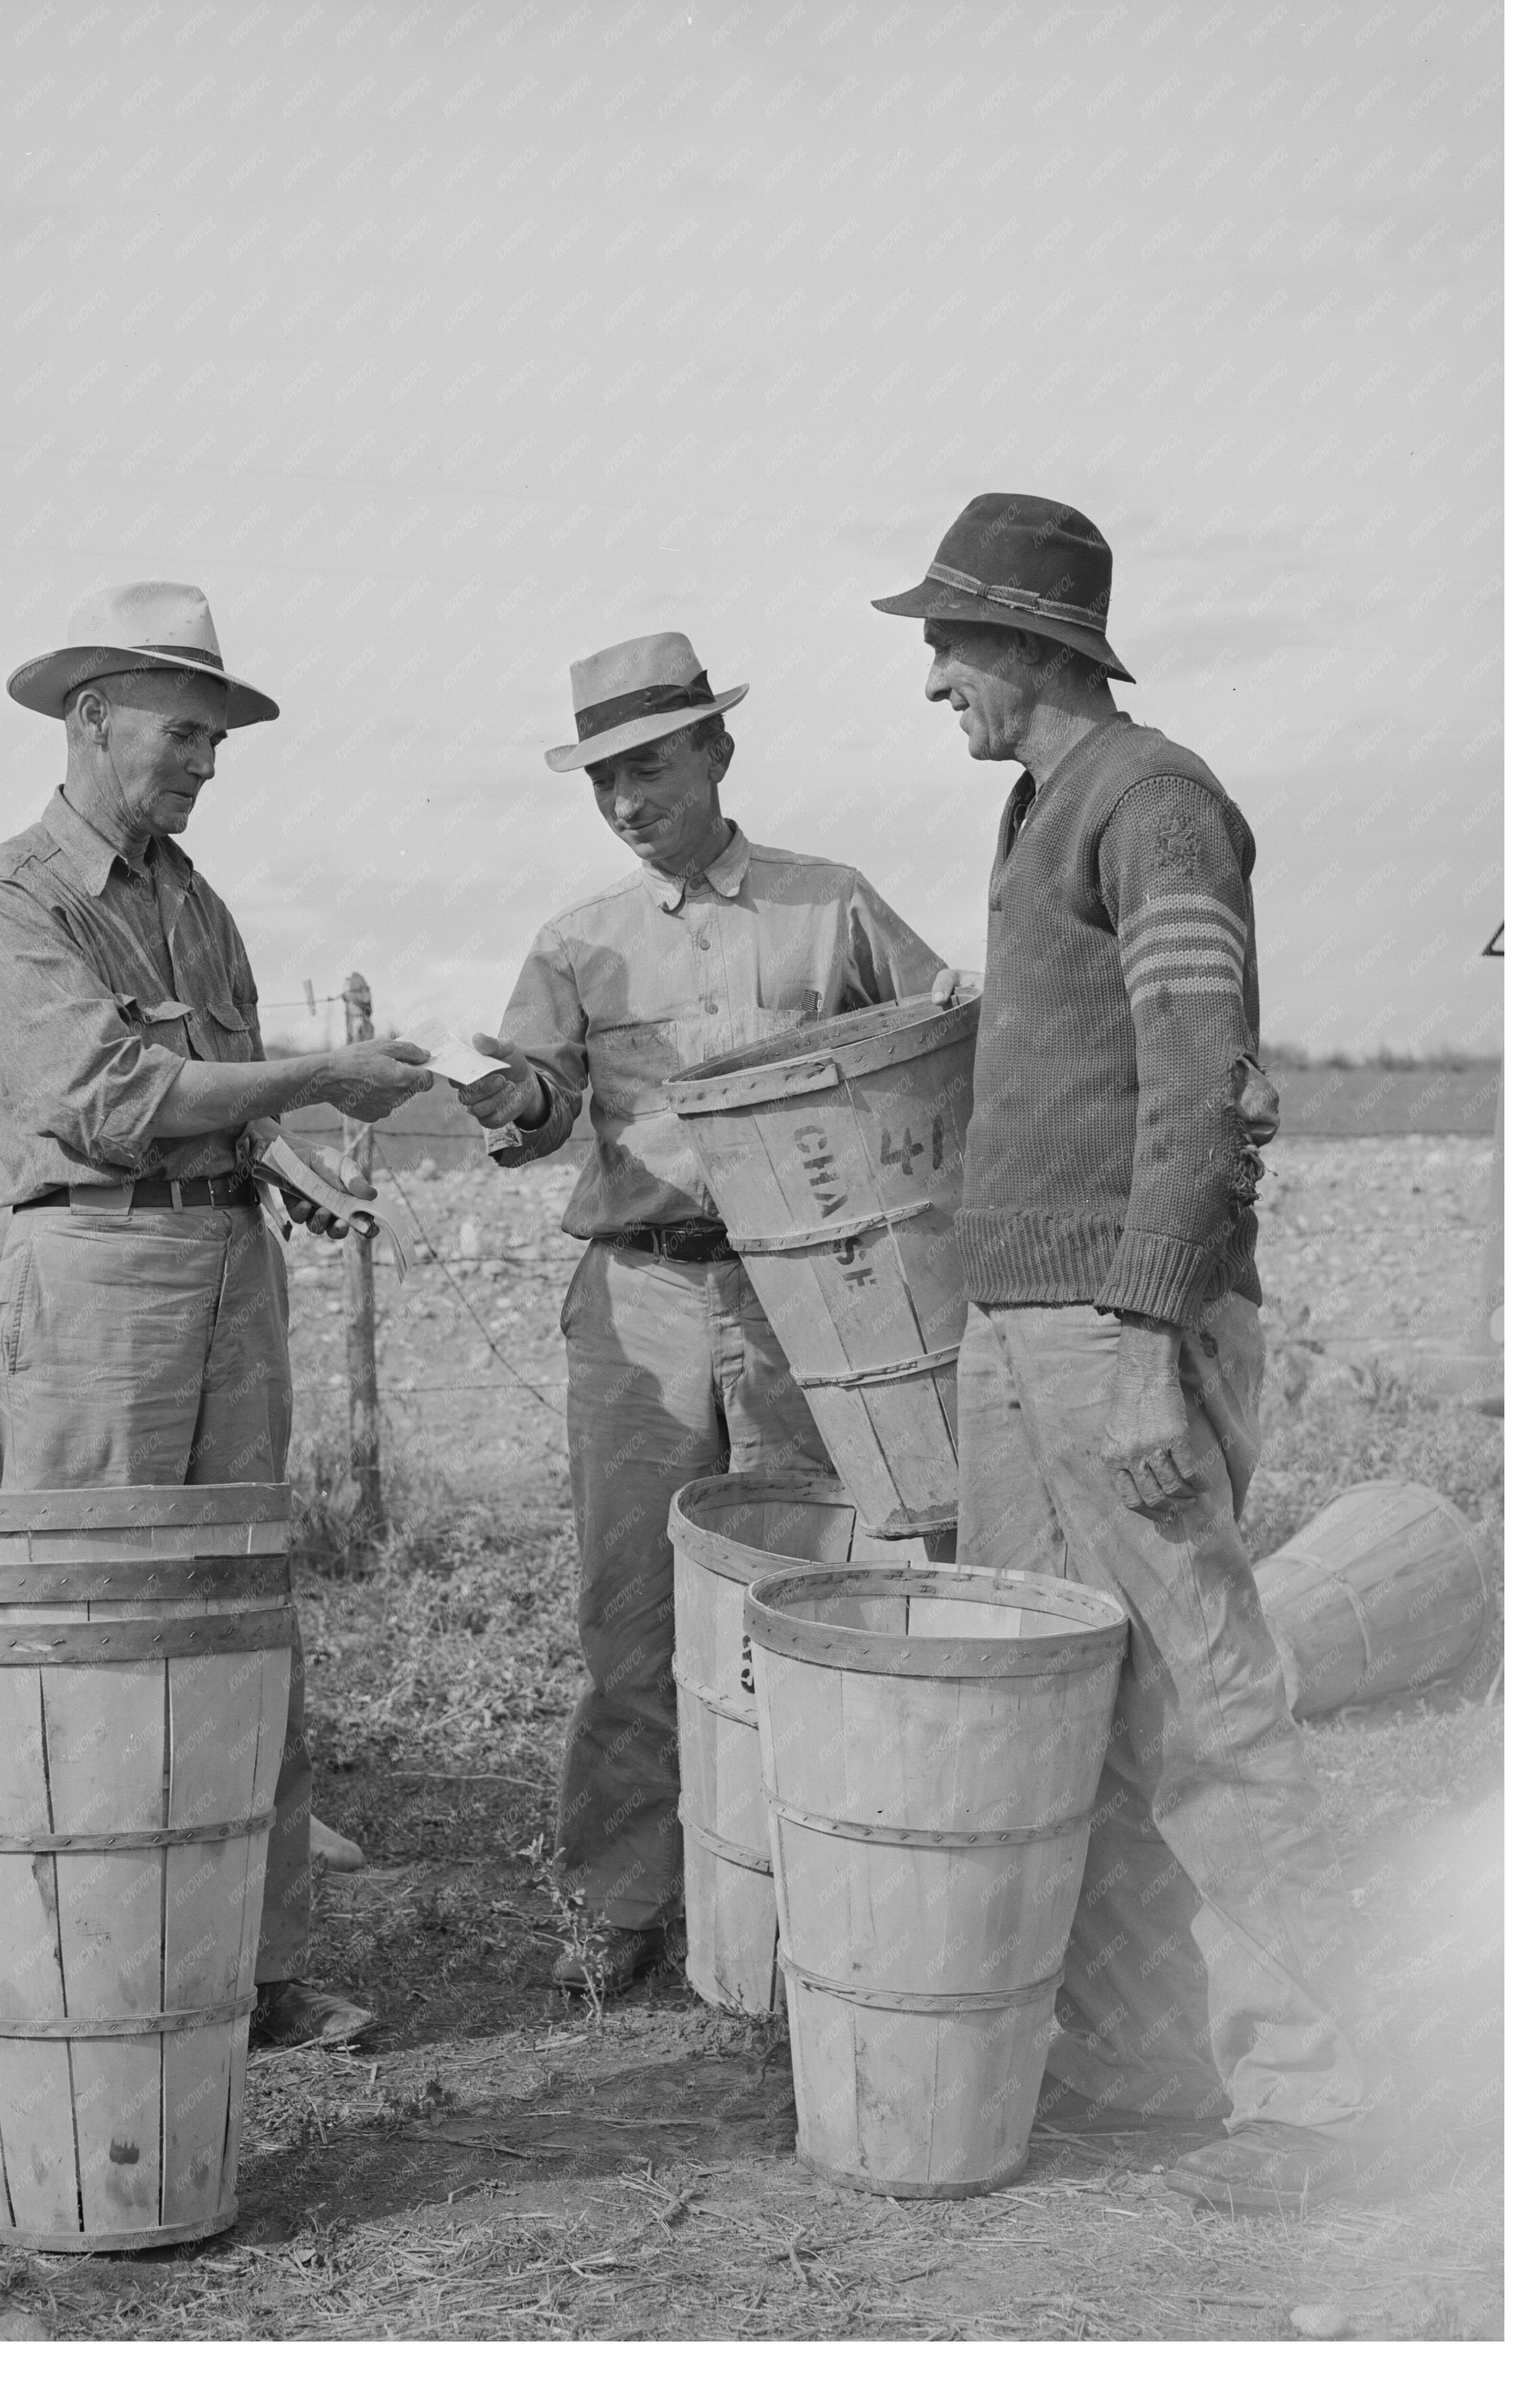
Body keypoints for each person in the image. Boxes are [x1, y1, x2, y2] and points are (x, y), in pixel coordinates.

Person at [873, 493, 1400, 2214]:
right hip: (1019, 1331)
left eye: (949, 644)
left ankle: (1324, 2098)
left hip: (1116, 1327)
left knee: (1203, 1708)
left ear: (1033, 646)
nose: (934, 677)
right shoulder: (1045, 808)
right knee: (1059, 1712)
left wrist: (1152, 1340)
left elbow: (1200, 1084)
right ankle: (1139, 2056)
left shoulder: (1156, 802)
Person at [0, 579, 432, 2048]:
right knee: (91, 1628)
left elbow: (213, 1093)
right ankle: (86, 1977)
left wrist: (285, 1170)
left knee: (238, 1624)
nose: (204, 765)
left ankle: (253, 1973)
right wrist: (313, 1088)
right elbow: (110, 1102)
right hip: (95, 1293)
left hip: (226, 1276)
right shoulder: (10, 901)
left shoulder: (191, 902)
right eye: (183, 735)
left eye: (217, 742)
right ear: (90, 720)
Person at [457, 630, 944, 1994]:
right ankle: (620, 1908)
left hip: (810, 1300)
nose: (625, 801)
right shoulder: (576, 944)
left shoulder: (830, 905)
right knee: (628, 1617)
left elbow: (937, 1043)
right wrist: (513, 1098)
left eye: (648, 767)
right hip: (641, 1301)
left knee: (812, 1593)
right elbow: (540, 1113)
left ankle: (812, 1893)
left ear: (718, 754)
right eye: (601, 780)